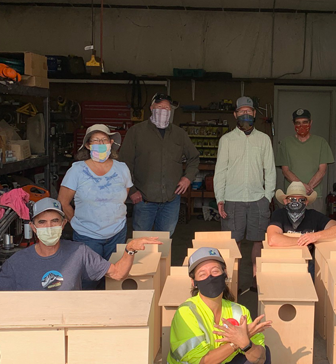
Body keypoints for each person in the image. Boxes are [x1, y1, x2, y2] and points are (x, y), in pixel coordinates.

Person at [0, 198, 160, 292]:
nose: (49, 226)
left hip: (68, 328)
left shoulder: (78, 251)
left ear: (64, 224)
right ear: (33, 227)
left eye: (55, 221)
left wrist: (130, 249)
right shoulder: (18, 262)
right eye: (42, 222)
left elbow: (117, 273)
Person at [164, 247, 272, 364]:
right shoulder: (186, 312)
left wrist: (246, 344)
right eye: (202, 274)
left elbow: (261, 359)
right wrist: (236, 342)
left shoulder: (239, 311)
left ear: (225, 273)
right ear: (194, 282)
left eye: (215, 271)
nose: (210, 277)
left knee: (263, 353)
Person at [213, 96, 276, 286]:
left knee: (259, 242)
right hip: (232, 200)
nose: (246, 114)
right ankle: (233, 284)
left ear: (255, 114)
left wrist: (267, 197)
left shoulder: (264, 139)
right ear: (235, 114)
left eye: (249, 111)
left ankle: (257, 282)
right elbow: (220, 171)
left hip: (258, 199)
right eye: (242, 111)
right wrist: (220, 199)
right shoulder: (227, 140)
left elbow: (270, 170)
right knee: (234, 244)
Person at [119, 93, 199, 236]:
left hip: (171, 200)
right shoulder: (136, 132)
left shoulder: (179, 134)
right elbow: (124, 164)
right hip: (144, 200)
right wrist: (131, 190)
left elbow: (194, 157)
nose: (163, 110)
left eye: (167, 108)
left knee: (164, 242)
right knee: (141, 242)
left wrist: (188, 178)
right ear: (151, 108)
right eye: (159, 106)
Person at [58, 124, 132, 261]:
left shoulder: (122, 169)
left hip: (117, 232)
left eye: (104, 140)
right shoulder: (77, 170)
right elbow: (63, 201)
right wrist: (76, 223)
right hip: (87, 235)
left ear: (111, 143)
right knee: (89, 279)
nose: (100, 143)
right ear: (87, 145)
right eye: (95, 140)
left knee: (114, 278)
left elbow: (122, 197)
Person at [276, 108, 334, 214]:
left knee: (316, 228)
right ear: (293, 124)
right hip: (292, 196)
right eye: (298, 123)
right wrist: (302, 188)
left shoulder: (321, 143)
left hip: (314, 195)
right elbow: (285, 171)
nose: (301, 126)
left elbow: (322, 170)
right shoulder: (285, 143)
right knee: (292, 228)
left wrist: (308, 188)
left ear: (310, 123)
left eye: (305, 122)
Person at [267, 181, 336, 251]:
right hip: (284, 261)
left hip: (308, 264)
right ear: (285, 201)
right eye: (292, 199)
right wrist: (305, 240)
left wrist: (315, 236)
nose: (297, 203)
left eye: (301, 200)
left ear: (306, 202)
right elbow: (272, 239)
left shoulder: (313, 215)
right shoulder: (279, 214)